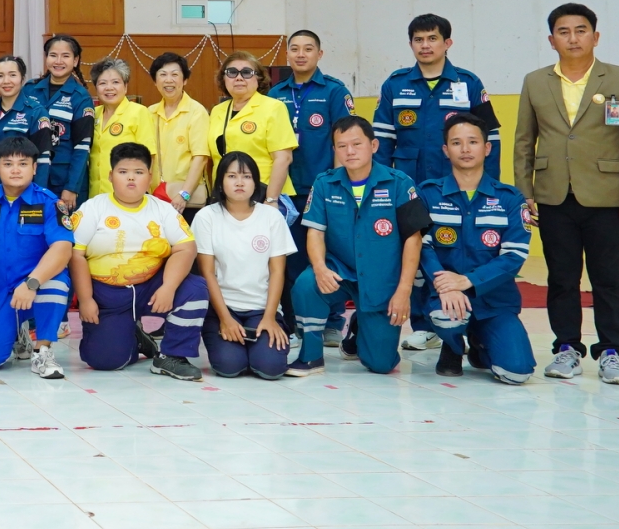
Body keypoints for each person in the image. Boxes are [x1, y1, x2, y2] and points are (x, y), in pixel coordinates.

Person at [515, 4, 619, 384]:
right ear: (551, 40)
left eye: (581, 30)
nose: (573, 38)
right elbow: (524, 140)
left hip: (607, 195)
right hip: (552, 195)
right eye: (564, 32)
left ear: (595, 36)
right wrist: (524, 191)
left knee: (607, 277)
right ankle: (567, 348)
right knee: (561, 277)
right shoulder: (535, 81)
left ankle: (611, 351)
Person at [289, 116, 428, 377]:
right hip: (339, 270)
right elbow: (315, 232)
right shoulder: (324, 183)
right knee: (306, 285)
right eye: (342, 146)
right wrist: (319, 268)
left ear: (373, 145)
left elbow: (414, 239)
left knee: (381, 364)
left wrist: (404, 290)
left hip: (381, 280)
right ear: (334, 150)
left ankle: (359, 328)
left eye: (357, 144)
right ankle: (310, 355)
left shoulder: (399, 183)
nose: (349, 152)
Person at [68, 143, 202, 380]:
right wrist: (86, 300)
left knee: (195, 288)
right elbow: (75, 255)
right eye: (123, 172)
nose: (131, 178)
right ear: (111, 176)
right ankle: (134, 338)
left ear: (149, 177)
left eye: (138, 172)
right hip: (106, 294)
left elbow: (186, 248)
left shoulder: (163, 210)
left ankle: (172, 356)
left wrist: (169, 287)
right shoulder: (93, 208)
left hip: (151, 287)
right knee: (105, 361)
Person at [423, 112, 536, 385]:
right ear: (445, 150)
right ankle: (452, 345)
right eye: (456, 143)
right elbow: (422, 248)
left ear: (486, 148)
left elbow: (514, 256)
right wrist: (447, 285)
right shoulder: (428, 194)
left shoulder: (510, 199)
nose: (465, 149)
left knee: (517, 373)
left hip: (494, 301)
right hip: (445, 296)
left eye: (472, 142)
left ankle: (479, 342)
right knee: (447, 318)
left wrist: (467, 281)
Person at [0, 136, 74, 378]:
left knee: (57, 283)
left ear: (34, 168)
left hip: (36, 283)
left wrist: (32, 283)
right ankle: (17, 333)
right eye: (8, 164)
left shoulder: (49, 203)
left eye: (23, 164)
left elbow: (63, 249)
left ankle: (42, 350)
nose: (15, 170)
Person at [191, 152, 293, 381]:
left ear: (256, 182)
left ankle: (262, 343)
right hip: (223, 309)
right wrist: (226, 319)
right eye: (232, 176)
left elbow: (277, 271)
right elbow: (207, 273)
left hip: (261, 309)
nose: (239, 182)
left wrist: (270, 317)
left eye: (246, 176)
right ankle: (231, 342)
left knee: (270, 368)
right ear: (220, 182)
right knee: (229, 366)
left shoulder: (271, 217)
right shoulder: (206, 217)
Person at [375, 13, 499, 187]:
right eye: (418, 40)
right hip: (407, 186)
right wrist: (382, 185)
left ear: (447, 43)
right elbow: (382, 142)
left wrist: (490, 186)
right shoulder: (394, 85)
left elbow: (490, 137)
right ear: (411, 45)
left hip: (457, 185)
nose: (425, 45)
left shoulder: (470, 83)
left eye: (432, 38)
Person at [266, 30, 354, 196]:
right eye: (294, 49)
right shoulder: (275, 93)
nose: (300, 55)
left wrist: (337, 183)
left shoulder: (335, 91)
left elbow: (345, 139)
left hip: (322, 186)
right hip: (282, 187)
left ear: (319, 54)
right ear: (287, 54)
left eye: (308, 49)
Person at [206, 50, 297, 210]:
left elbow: (283, 158)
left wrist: (271, 199)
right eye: (232, 72)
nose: (239, 78)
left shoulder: (273, 107)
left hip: (263, 193)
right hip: (225, 195)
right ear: (224, 78)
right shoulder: (217, 111)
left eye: (247, 72)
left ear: (258, 78)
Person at [18, 34, 93, 216]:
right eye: (53, 55)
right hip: (31, 176)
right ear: (46, 58)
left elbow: (82, 147)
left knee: (64, 227)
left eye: (65, 56)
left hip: (63, 179)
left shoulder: (80, 97)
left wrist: (72, 187)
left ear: (75, 60)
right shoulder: (30, 89)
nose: (58, 61)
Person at [84, 58, 158, 203]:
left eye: (115, 82)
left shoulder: (139, 112)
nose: (109, 88)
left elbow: (149, 156)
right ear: (96, 88)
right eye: (102, 83)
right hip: (95, 195)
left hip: (128, 195)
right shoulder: (93, 113)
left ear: (125, 86)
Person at [146, 52, 209, 214]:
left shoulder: (196, 112)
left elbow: (200, 157)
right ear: (155, 81)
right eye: (162, 74)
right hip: (154, 197)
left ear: (185, 80)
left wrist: (184, 194)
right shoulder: (149, 113)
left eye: (175, 74)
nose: (169, 80)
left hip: (185, 200)